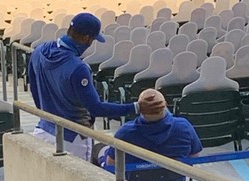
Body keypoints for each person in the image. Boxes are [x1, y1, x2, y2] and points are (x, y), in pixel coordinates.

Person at [28, 13, 163, 161]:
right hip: (73, 139)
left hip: (43, 130)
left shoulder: (39, 51)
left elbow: (35, 90)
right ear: (86, 38)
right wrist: (136, 107)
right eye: (92, 40)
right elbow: (95, 108)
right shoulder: (78, 68)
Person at [97, 88, 203, 181]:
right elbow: (194, 157)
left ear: (140, 108)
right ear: (165, 106)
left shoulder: (125, 133)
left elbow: (111, 165)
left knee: (100, 151)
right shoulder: (184, 127)